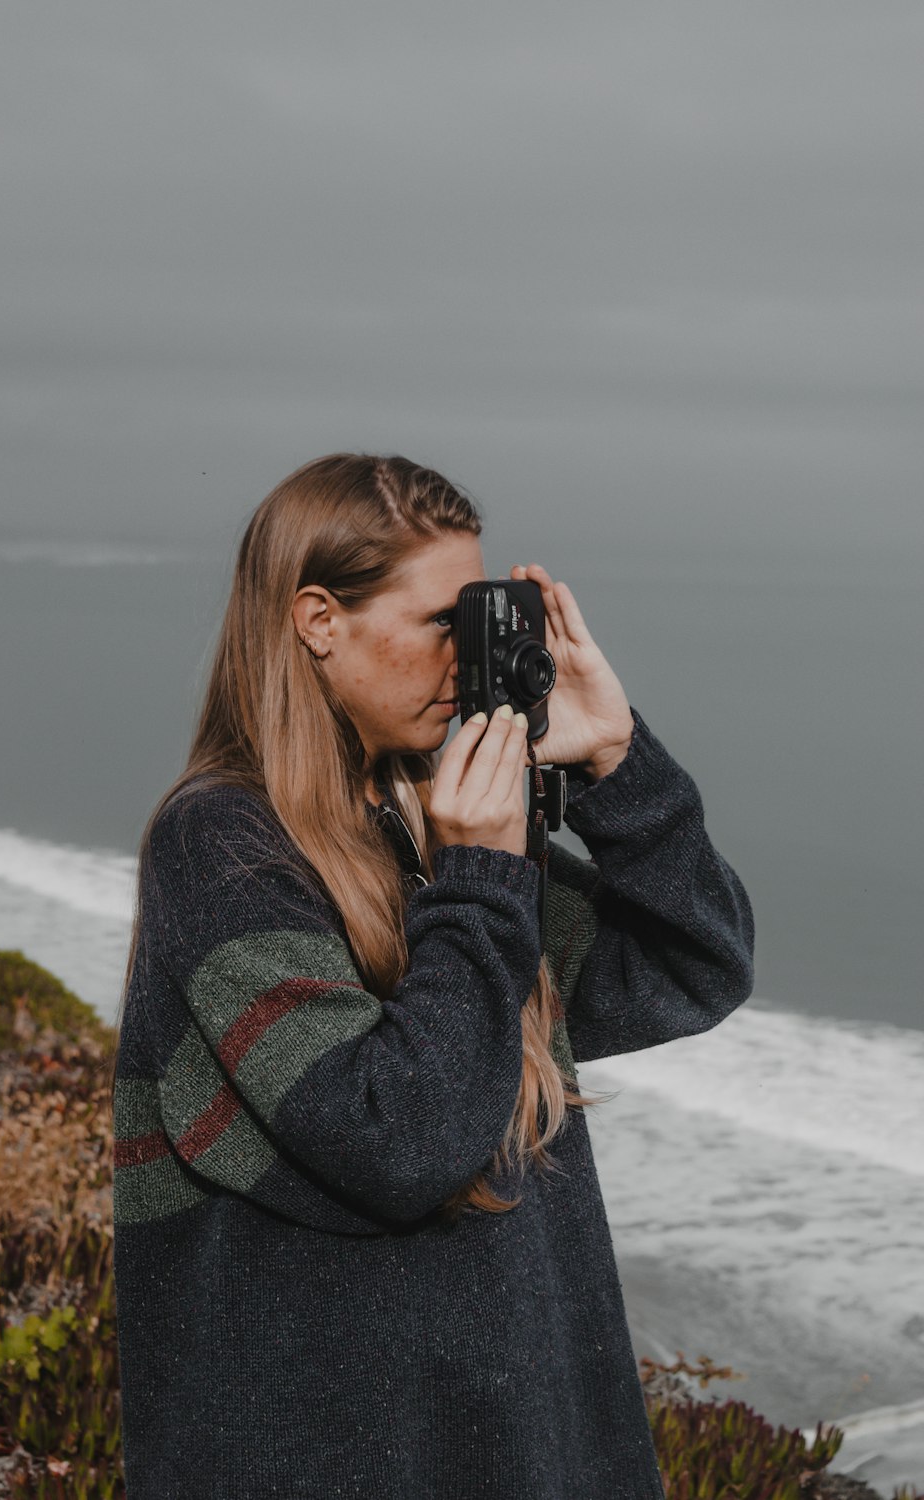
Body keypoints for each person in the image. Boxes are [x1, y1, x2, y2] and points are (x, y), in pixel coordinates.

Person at [110, 452, 755, 1499]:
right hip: (327, 1458)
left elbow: (698, 965)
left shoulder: (426, 826)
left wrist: (613, 764)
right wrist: (484, 878)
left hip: (515, 1440)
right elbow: (396, 1139)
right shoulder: (222, 847)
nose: (466, 663)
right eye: (438, 626)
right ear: (318, 619)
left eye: (477, 623)